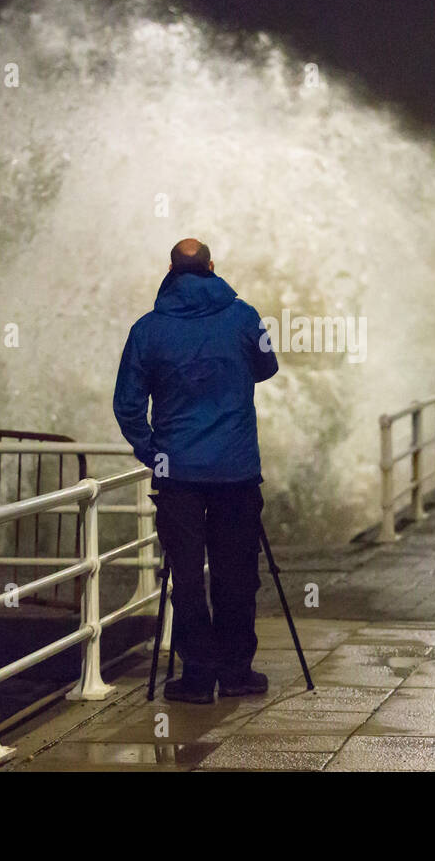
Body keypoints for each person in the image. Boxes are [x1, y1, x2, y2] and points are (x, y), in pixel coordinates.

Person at [113, 238, 279, 703]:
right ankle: (237, 672)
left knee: (186, 576)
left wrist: (154, 452)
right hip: (237, 472)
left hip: (178, 474)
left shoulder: (147, 330)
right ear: (211, 266)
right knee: (237, 572)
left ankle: (198, 677)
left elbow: (127, 405)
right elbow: (268, 366)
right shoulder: (245, 317)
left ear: (170, 269)